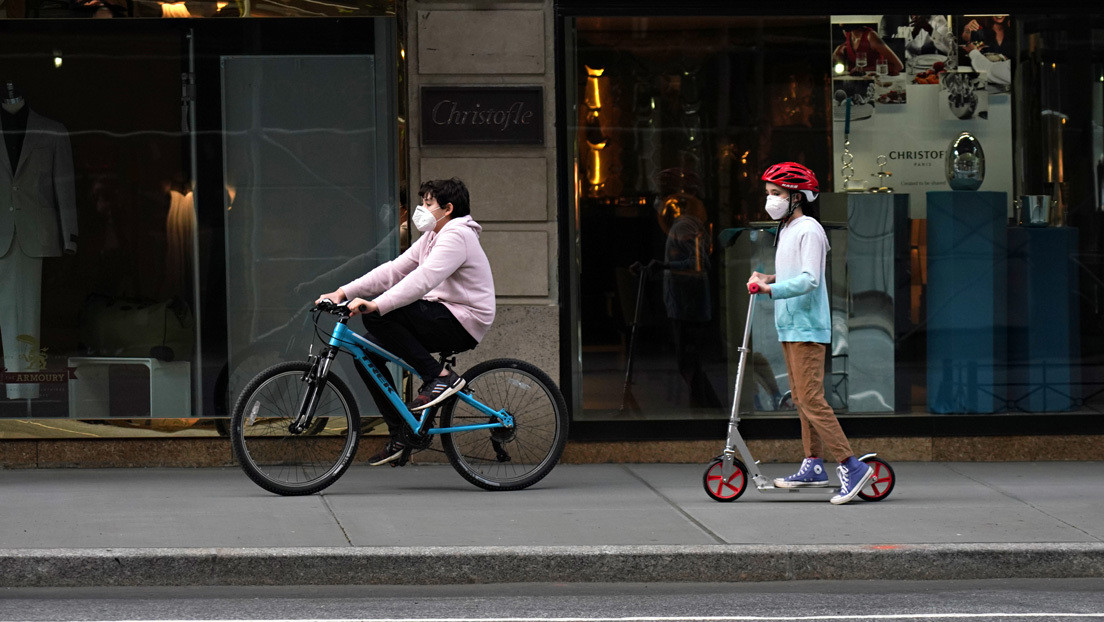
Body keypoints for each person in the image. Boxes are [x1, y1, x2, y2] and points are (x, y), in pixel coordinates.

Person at [316, 177, 495, 466]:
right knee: (366, 356)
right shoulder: (433, 236)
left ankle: (439, 378)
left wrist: (376, 303)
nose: (420, 209)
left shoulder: (456, 235)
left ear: (447, 208)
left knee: (378, 317)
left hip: (463, 319)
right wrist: (342, 292)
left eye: (428, 204)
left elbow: (423, 280)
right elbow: (393, 270)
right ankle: (403, 432)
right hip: (440, 312)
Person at [746, 162, 874, 505]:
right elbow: (791, 273)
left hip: (807, 327)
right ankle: (813, 463)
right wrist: (769, 279)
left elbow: (810, 279)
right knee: (801, 399)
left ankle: (851, 465)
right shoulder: (787, 229)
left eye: (777, 194)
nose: (770, 200)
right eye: (769, 194)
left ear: (797, 196)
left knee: (812, 399)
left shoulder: (810, 230)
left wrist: (771, 291)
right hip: (790, 325)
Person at [832, 23, 904, 76]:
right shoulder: (847, 32)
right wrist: (839, 51)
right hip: (857, 81)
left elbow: (899, 66)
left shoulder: (871, 36)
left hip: (877, 81)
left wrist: (865, 69)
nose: (840, 23)